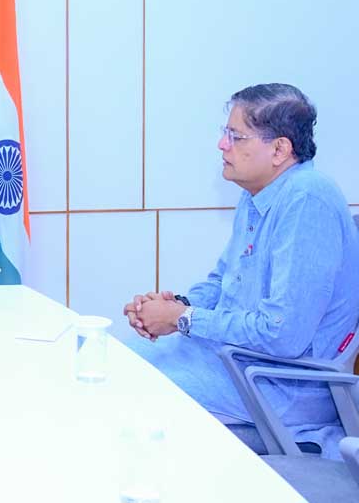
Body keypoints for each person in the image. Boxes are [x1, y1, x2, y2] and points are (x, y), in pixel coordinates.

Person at [122, 83, 359, 457]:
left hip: (279, 384)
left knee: (126, 389)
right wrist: (174, 306)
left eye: (236, 136)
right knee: (114, 357)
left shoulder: (308, 201)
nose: (222, 145)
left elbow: (284, 336)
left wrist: (183, 319)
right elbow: (223, 282)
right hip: (232, 360)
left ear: (279, 149)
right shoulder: (258, 195)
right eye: (225, 133)